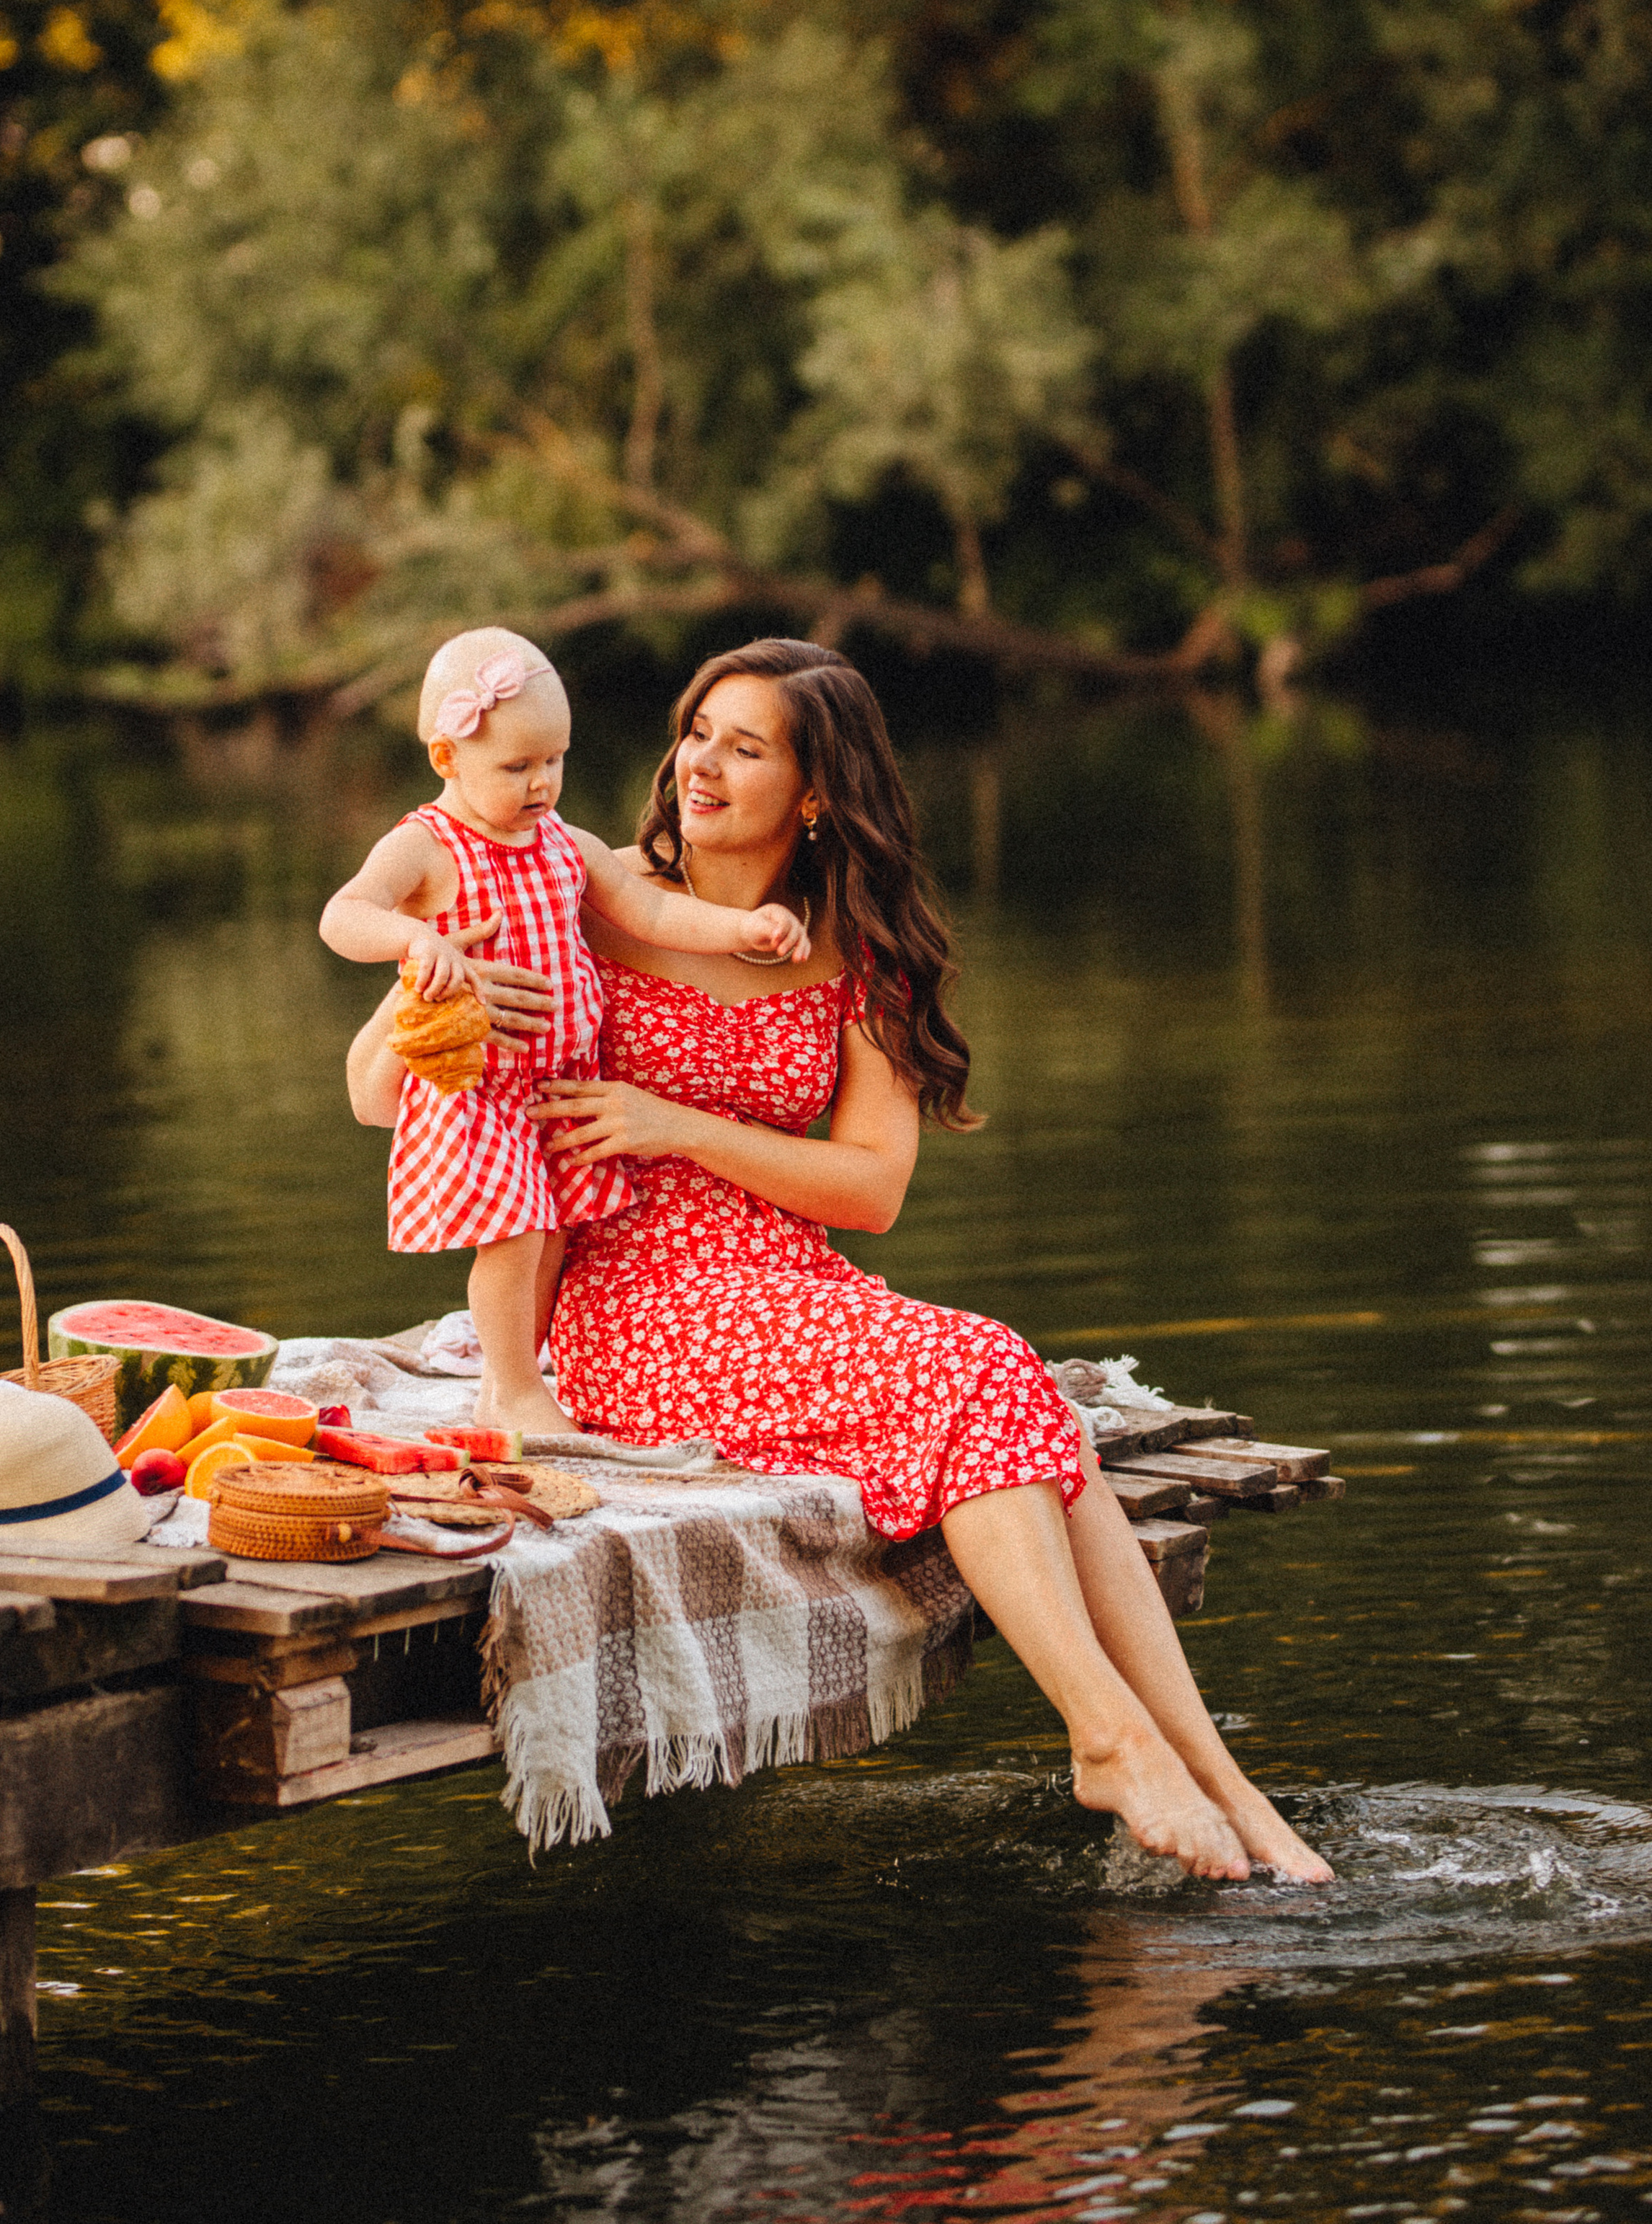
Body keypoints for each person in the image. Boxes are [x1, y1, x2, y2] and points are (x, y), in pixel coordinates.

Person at [347, 638, 1332, 1884]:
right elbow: (377, 1097)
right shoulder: (577, 887)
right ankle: (1106, 1736)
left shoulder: (856, 948)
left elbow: (872, 1187)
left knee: (1017, 1398)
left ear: (815, 791)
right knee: (991, 1376)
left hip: (791, 1289)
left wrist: (679, 1124)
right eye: (697, 731)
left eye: (743, 746)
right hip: (624, 1307)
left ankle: (1221, 1785)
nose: (699, 763)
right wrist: (436, 985)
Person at [319, 626, 809, 1432]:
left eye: (554, 761)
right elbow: (345, 914)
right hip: (478, 1091)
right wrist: (420, 941)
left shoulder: (562, 846)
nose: (542, 783)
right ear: (446, 759)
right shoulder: (428, 847)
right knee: (515, 1236)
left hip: (552, 1089)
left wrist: (740, 928)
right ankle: (513, 1388)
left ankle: (508, 1384)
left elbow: (650, 910)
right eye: (517, 767)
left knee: (554, 1238)